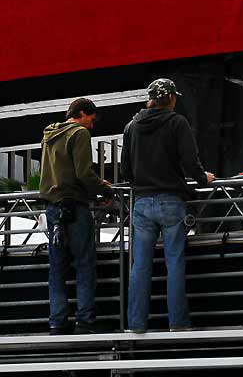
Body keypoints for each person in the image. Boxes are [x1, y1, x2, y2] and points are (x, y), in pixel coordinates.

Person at [121, 78, 215, 333]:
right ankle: (178, 323)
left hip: (141, 202)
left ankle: (137, 324)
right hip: (171, 201)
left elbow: (125, 170)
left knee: (140, 266)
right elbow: (189, 159)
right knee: (174, 262)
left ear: (150, 98)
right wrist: (201, 178)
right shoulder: (177, 122)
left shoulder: (131, 127)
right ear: (172, 98)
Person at [39, 98, 113, 335]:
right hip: (75, 208)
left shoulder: (49, 135)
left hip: (53, 209)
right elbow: (83, 172)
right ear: (82, 113)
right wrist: (103, 189)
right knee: (84, 265)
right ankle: (85, 321)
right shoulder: (79, 133)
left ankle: (57, 323)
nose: (91, 126)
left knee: (57, 268)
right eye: (90, 120)